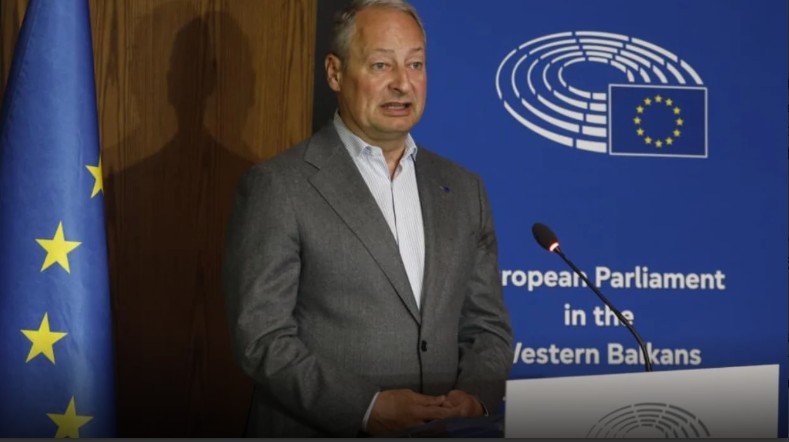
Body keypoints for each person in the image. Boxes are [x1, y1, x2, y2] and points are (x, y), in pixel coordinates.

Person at [222, 0, 513, 437]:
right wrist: (366, 407)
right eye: (381, 65)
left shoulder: (463, 189)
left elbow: (488, 326)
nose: (402, 83)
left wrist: (475, 396)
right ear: (335, 73)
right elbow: (261, 338)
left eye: (415, 64)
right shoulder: (278, 186)